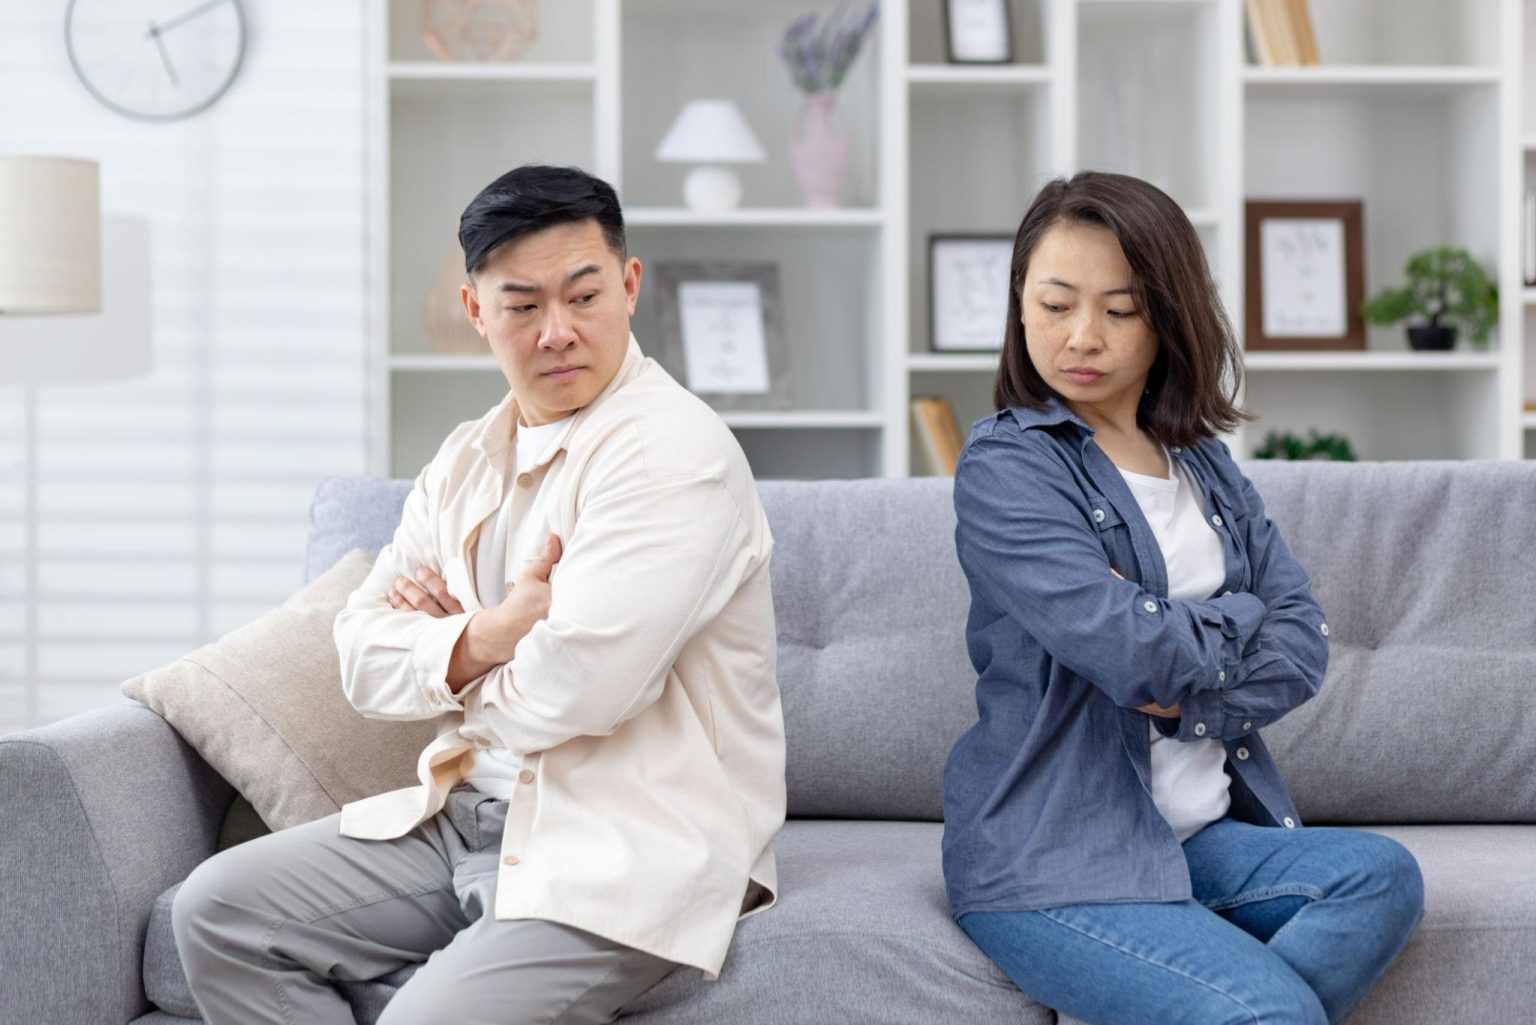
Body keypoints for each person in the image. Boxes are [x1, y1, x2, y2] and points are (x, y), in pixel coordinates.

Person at [171, 164, 787, 1025]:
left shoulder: (670, 455)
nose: (557, 332)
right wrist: (488, 637)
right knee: (219, 911)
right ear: (475, 311)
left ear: (631, 284)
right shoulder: (464, 456)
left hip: (627, 840)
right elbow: (357, 656)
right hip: (466, 812)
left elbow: (577, 691)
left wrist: (444, 658)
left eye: (583, 295)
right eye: (523, 305)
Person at [941, 170, 1423, 1025]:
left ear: (1167, 317)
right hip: (1057, 860)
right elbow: (1137, 654)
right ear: (1020, 307)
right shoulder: (1006, 466)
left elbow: (1303, 642)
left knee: (1379, 877)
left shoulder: (1200, 462)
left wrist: (1177, 651)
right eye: (1055, 305)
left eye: (1120, 310)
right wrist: (1237, 617)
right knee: (1270, 1013)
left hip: (1194, 841)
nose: (1082, 335)